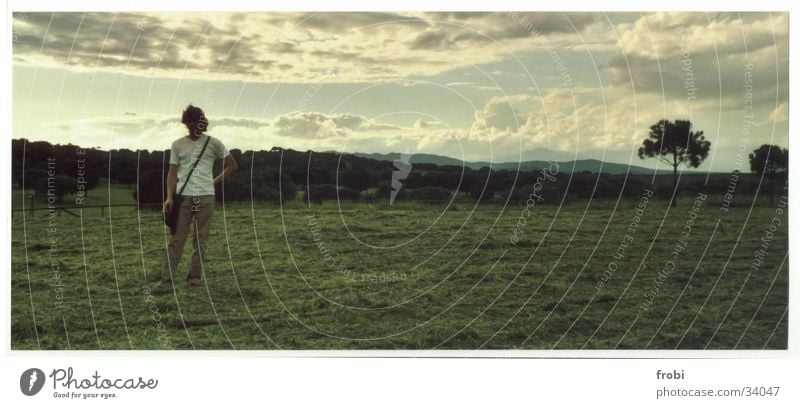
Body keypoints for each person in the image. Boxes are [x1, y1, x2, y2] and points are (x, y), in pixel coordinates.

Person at [161, 105, 238, 288]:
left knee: (200, 239)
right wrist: (169, 197)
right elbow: (172, 172)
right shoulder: (177, 144)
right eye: (187, 123)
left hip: (205, 197)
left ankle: (194, 279)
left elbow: (232, 165)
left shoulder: (214, 143)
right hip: (184, 197)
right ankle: (167, 280)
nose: (190, 126)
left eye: (193, 122)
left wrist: (214, 181)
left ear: (201, 122)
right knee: (177, 239)